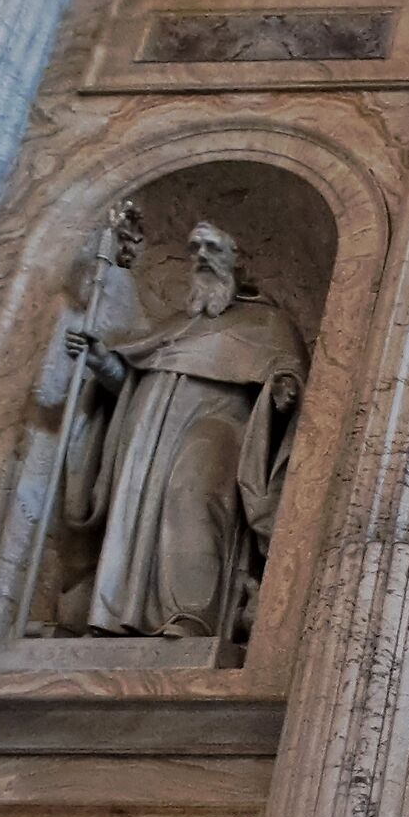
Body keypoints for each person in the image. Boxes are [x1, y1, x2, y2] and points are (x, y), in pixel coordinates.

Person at [59, 221, 305, 641]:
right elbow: (128, 384)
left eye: (213, 247)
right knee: (137, 510)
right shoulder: (172, 327)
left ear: (236, 260)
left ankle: (193, 614)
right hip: (149, 434)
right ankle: (116, 616)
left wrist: (284, 386)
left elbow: (287, 374)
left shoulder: (265, 323)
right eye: (196, 248)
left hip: (218, 426)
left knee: (193, 496)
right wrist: (101, 361)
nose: (203, 255)